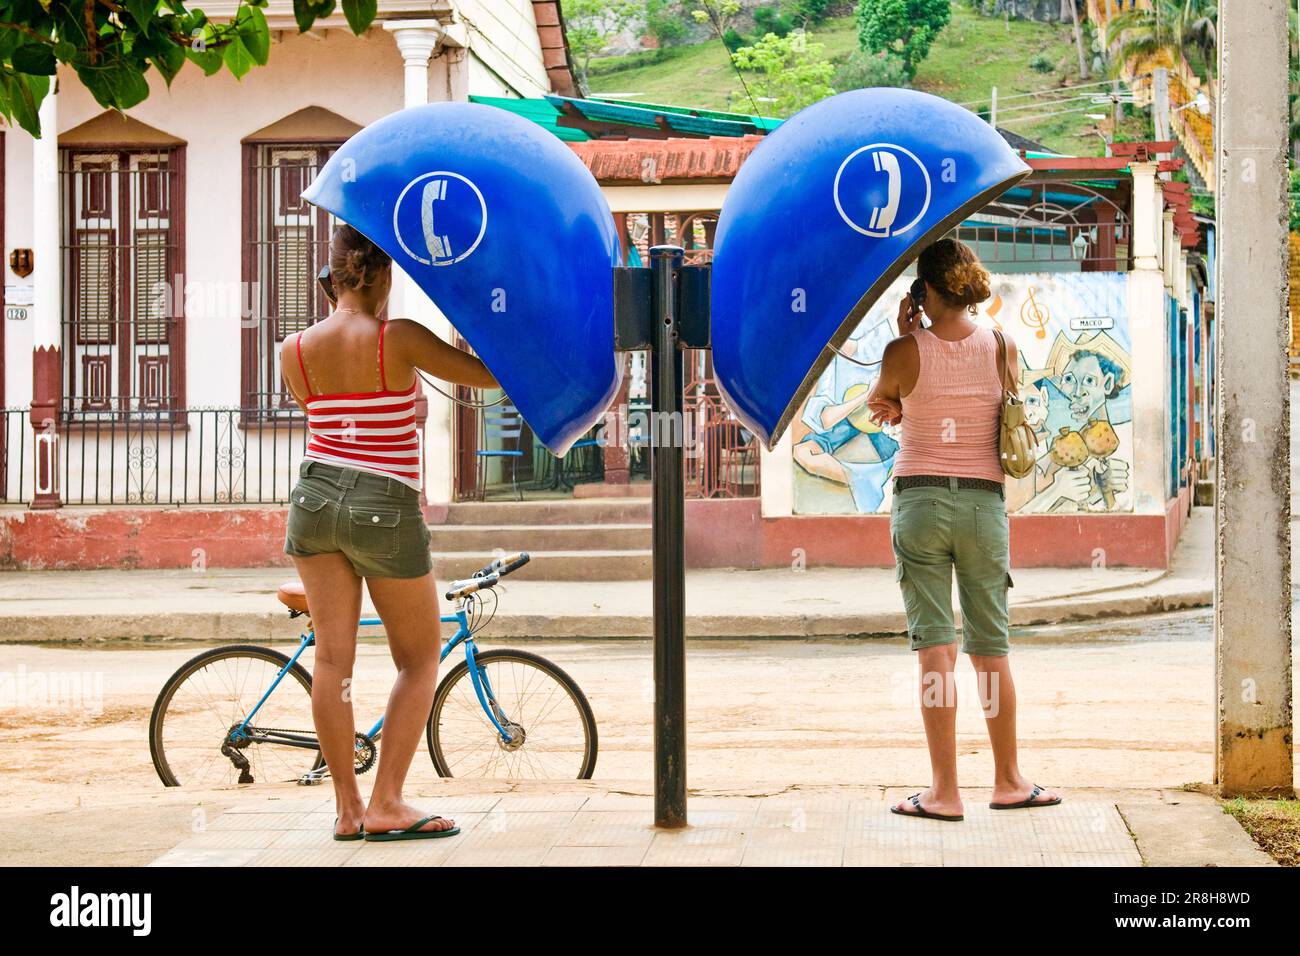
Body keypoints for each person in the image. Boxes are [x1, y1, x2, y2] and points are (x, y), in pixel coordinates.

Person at [280, 224, 498, 841]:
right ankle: (388, 802)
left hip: (313, 499)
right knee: (419, 657)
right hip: (384, 503)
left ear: (332, 279)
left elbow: (327, 415)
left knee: (331, 659)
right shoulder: (396, 338)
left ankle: (348, 811)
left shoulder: (291, 349)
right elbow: (485, 376)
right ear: (382, 275)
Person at [866, 238, 1061, 821]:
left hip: (920, 502)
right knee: (990, 650)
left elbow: (883, 406)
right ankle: (1007, 781)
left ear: (925, 291)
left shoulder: (903, 350)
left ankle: (944, 792)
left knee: (936, 652)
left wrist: (905, 336)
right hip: (983, 506)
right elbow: (1003, 408)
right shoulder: (1003, 346)